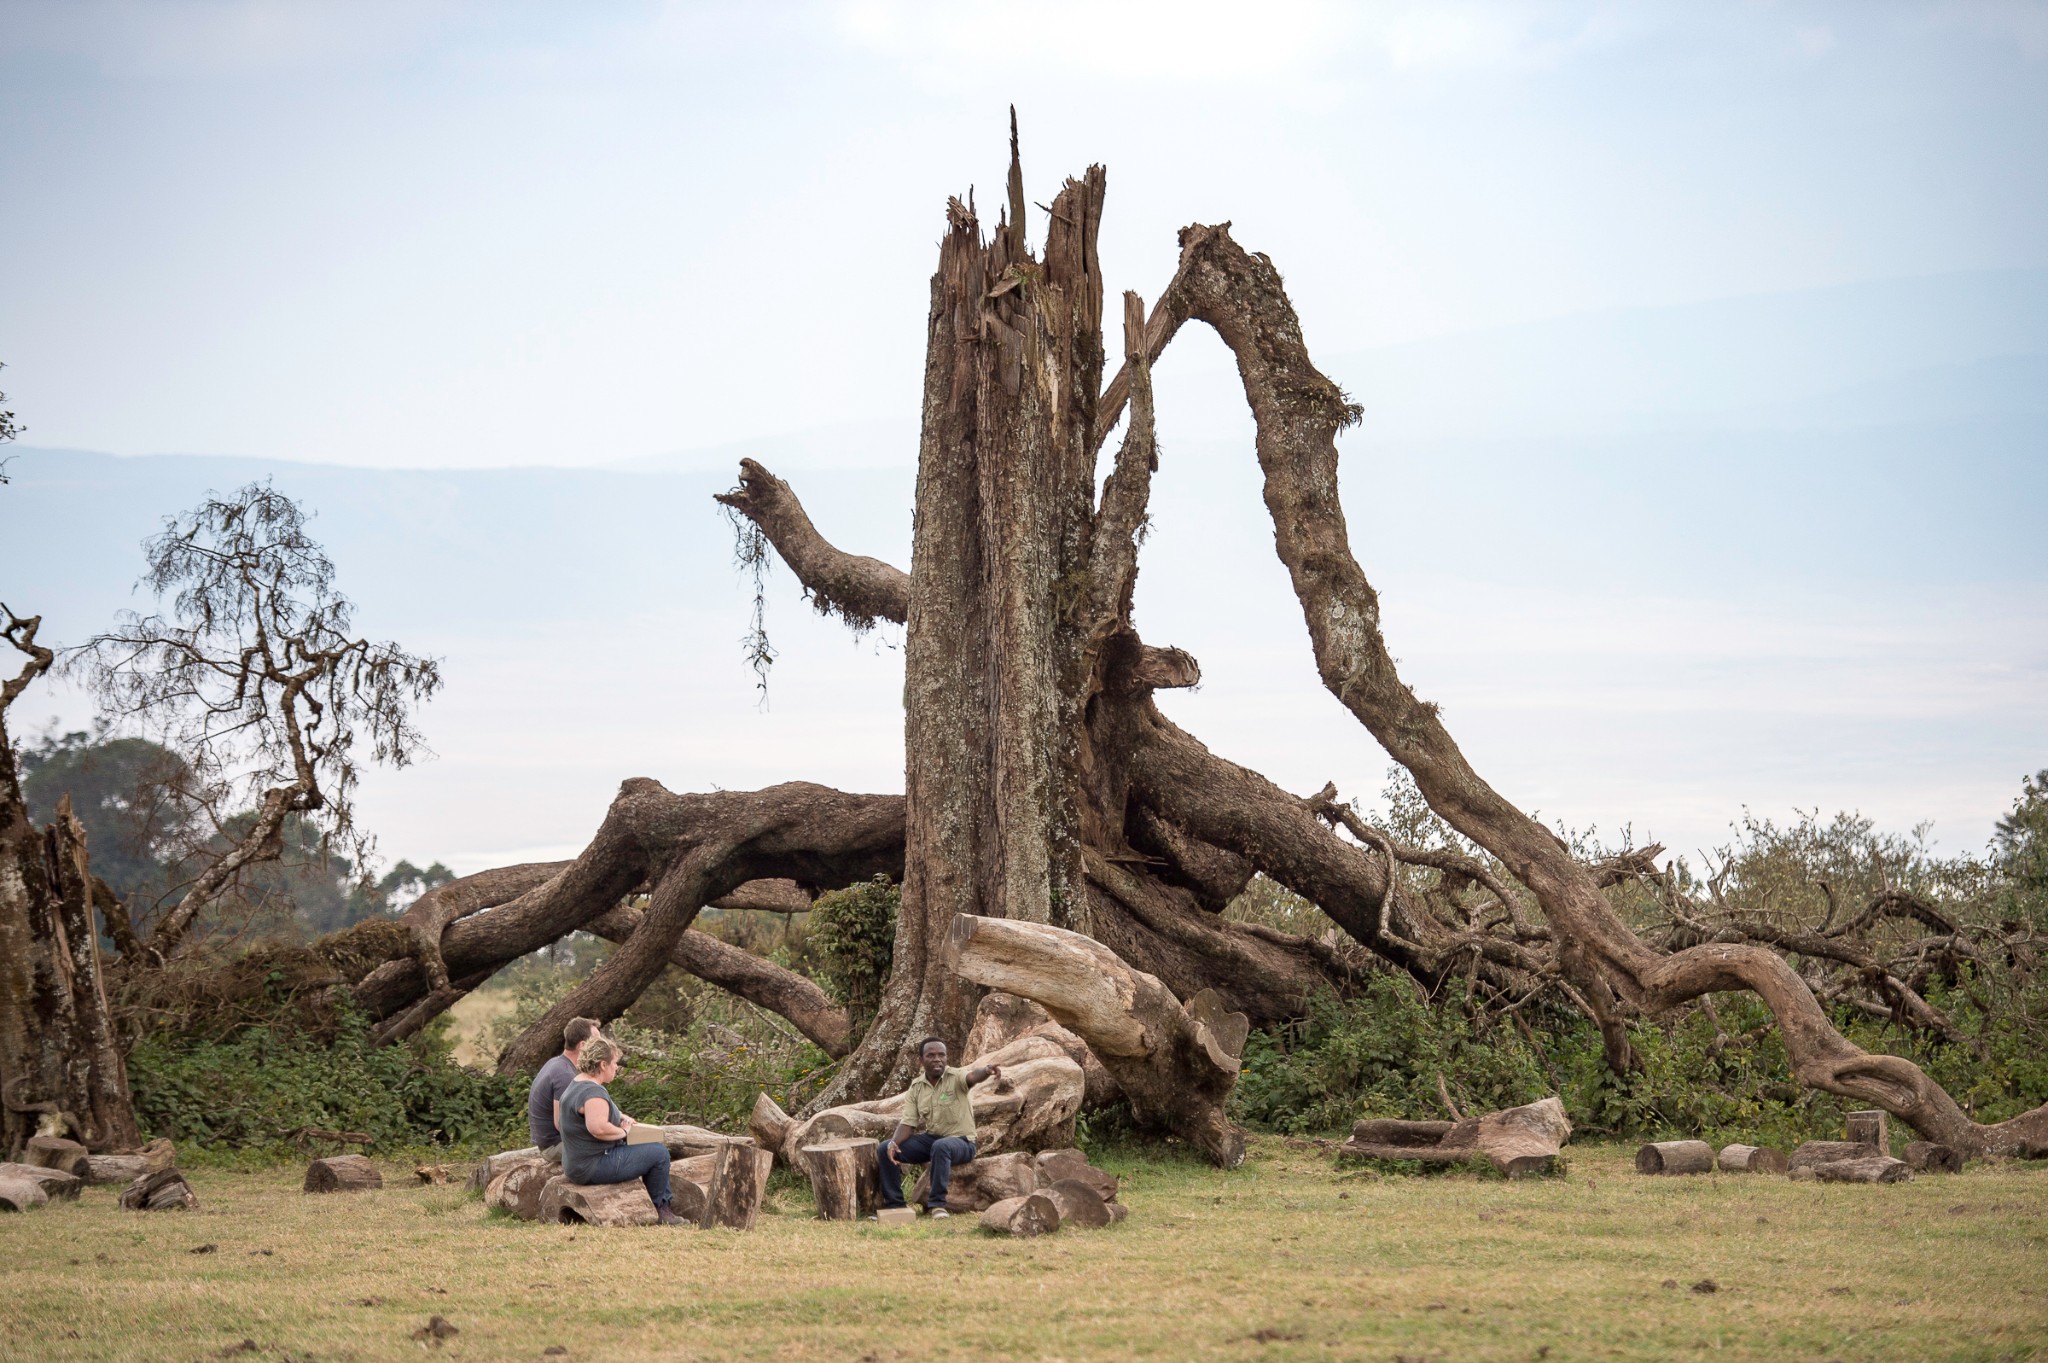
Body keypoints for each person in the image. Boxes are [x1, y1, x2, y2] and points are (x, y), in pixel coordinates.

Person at [555, 1035, 684, 1226]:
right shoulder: (593, 1093)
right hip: (593, 1165)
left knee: (651, 1149)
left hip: (577, 1164)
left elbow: (596, 1112)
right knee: (659, 1154)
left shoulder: (578, 1083)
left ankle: (656, 1204)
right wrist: (624, 1132)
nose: (617, 1067)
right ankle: (662, 1210)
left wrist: (620, 1116)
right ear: (603, 1065)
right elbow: (598, 1128)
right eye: (615, 1062)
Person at [875, 1037, 1001, 1219]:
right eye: (931, 1055)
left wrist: (987, 1070)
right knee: (885, 1148)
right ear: (921, 1060)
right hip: (933, 1139)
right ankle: (895, 1205)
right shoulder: (917, 1087)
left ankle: (937, 1205)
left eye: (941, 1055)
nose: (937, 1059)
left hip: (963, 1142)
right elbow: (908, 1122)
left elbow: (973, 1077)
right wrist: (894, 1143)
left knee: (941, 1146)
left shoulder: (956, 1077)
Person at [526, 1016, 602, 1154]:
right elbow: (561, 1123)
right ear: (583, 1045)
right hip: (554, 1146)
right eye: (596, 1042)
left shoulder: (558, 1063)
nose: (601, 1046)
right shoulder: (564, 1075)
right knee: (614, 1146)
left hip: (555, 1142)